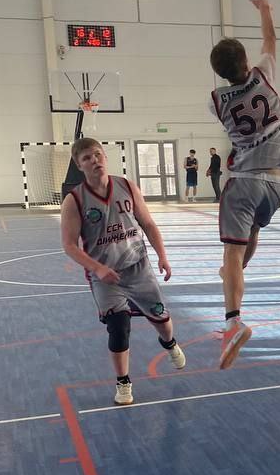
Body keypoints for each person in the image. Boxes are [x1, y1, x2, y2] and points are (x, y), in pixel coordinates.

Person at [209, 0, 280, 368]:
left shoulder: (216, 100)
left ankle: (233, 320)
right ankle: (233, 279)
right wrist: (266, 10)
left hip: (245, 179)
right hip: (277, 186)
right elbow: (271, 39)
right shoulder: (263, 74)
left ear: (220, 73)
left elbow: (249, 117)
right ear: (246, 61)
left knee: (231, 252)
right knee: (251, 236)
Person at [61, 138, 186, 407]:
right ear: (79, 165)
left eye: (97, 154)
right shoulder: (74, 200)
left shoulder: (127, 186)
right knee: (118, 326)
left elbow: (148, 224)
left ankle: (169, 344)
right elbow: (69, 246)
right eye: (87, 158)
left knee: (161, 320)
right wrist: (97, 268)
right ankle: (123, 382)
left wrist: (163, 256)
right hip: (106, 276)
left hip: (137, 267)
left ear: (105, 157)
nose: (94, 160)